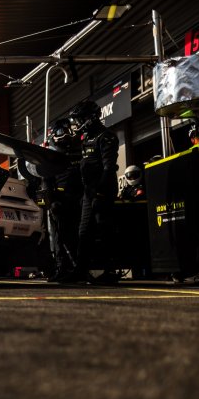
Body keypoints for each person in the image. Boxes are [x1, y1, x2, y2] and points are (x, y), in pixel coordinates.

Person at [61, 100, 120, 284]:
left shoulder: (106, 137)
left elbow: (109, 168)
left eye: (80, 119)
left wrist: (100, 193)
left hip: (103, 191)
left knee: (104, 230)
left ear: (91, 118)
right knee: (84, 232)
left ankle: (110, 272)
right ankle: (80, 271)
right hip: (88, 192)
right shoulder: (86, 139)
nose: (77, 124)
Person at [43, 118, 83, 282]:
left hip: (79, 200)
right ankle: (62, 268)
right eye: (61, 131)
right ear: (53, 134)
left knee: (79, 235)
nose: (65, 134)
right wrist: (51, 202)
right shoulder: (50, 155)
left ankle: (79, 268)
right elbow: (46, 181)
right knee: (59, 237)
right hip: (59, 202)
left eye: (67, 130)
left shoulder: (78, 149)